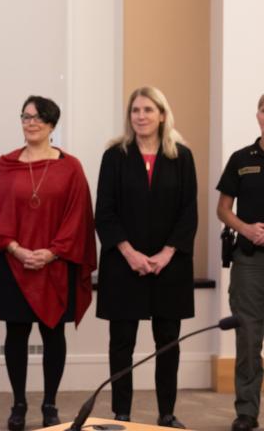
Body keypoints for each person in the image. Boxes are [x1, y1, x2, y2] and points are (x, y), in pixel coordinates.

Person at [0, 95, 97, 430]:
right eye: (25, 116)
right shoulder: (4, 164)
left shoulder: (70, 167)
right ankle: (18, 404)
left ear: (51, 123)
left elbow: (79, 217)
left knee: (53, 336)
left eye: (37, 117)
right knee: (16, 335)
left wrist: (52, 252)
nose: (30, 122)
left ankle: (50, 404)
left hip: (56, 265)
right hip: (13, 264)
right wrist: (17, 250)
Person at [95, 86, 197, 428]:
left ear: (162, 115)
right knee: (122, 342)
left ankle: (166, 413)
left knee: (168, 344)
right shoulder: (114, 156)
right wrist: (130, 253)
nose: (140, 116)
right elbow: (104, 213)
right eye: (135, 110)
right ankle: (121, 413)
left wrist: (166, 254)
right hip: (124, 266)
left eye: (148, 110)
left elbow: (189, 213)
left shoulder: (181, 156)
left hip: (170, 267)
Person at [216, 94, 264, 431]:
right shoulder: (240, 158)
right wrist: (245, 228)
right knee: (247, 337)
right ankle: (246, 411)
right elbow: (223, 209)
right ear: (259, 115)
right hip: (250, 262)